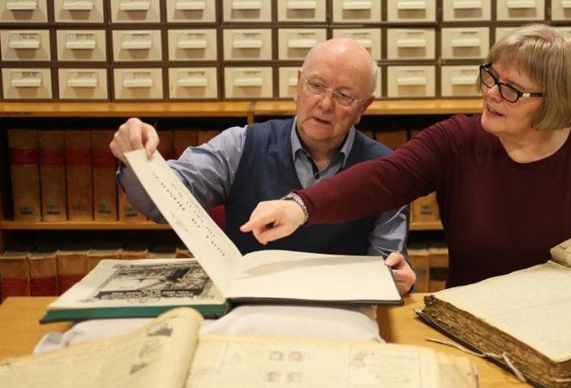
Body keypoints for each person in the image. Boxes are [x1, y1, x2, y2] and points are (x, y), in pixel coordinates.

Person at [245, 23, 571, 288]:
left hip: (563, 326)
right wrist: (301, 206)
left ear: (554, 100)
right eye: (491, 77)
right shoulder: (457, 140)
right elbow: (386, 176)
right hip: (472, 323)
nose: (490, 93)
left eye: (511, 90)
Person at [109, 38, 415, 295]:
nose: (324, 104)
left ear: (365, 107)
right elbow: (161, 201)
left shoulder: (386, 170)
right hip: (248, 310)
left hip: (340, 314)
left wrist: (395, 277)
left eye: (344, 95)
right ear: (298, 85)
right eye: (316, 85)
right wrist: (136, 157)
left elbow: (386, 264)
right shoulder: (241, 145)